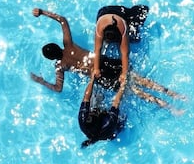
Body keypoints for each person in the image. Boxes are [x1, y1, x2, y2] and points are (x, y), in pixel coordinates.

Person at [30, 7, 183, 111]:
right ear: (58, 47)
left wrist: (41, 81)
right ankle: (175, 95)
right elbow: (62, 20)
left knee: (136, 91)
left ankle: (171, 109)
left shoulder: (60, 66)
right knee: (142, 80)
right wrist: (42, 12)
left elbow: (58, 88)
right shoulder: (69, 45)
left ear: (51, 58)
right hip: (106, 62)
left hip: (101, 77)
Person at [91, 4, 150, 83]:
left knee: (135, 39)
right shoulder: (99, 29)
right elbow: (97, 50)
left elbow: (125, 53)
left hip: (122, 14)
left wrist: (124, 73)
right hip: (104, 11)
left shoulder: (123, 28)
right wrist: (96, 69)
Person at [78, 74, 125, 148]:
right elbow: (116, 102)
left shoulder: (83, 119)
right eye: (95, 112)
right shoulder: (108, 123)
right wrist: (123, 85)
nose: (93, 111)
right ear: (100, 116)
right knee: (123, 111)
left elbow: (86, 97)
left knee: (96, 97)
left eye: (92, 111)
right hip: (111, 131)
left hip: (97, 127)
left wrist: (92, 79)